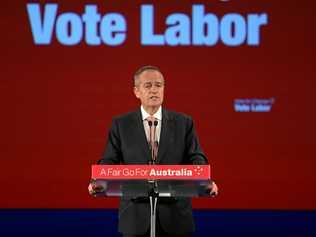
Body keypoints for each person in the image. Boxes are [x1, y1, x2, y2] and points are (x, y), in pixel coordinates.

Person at [89, 65, 218, 237]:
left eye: (158, 85)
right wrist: (98, 180)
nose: (154, 90)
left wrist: (205, 181)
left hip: (175, 214)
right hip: (135, 214)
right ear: (136, 91)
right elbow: (109, 160)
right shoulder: (121, 124)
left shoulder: (183, 122)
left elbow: (197, 157)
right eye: (148, 85)